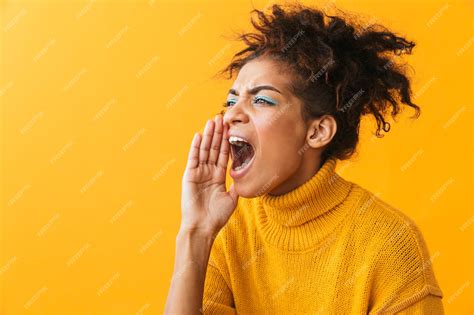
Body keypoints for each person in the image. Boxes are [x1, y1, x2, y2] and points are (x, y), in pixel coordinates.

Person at [165, 3, 444, 314]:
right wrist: (196, 232)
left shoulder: (388, 242)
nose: (231, 114)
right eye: (231, 100)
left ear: (317, 132)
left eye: (261, 100)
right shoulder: (228, 229)